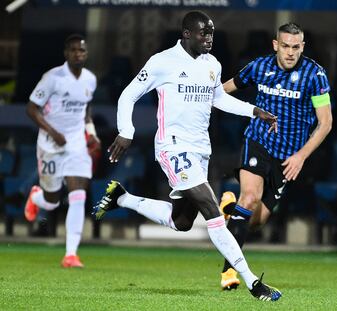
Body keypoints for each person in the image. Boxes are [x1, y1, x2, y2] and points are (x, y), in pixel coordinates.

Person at [93, 11, 281, 302]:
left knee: (181, 221)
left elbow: (218, 98)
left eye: (212, 33)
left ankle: (122, 198)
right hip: (172, 147)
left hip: (200, 150)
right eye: (203, 33)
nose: (209, 38)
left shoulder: (212, 64)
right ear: (186, 34)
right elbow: (127, 95)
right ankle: (253, 283)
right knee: (212, 209)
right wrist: (126, 131)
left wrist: (253, 110)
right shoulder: (162, 62)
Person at [218, 22, 333, 290]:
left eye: (296, 47)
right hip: (258, 141)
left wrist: (301, 156)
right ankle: (229, 273)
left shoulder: (314, 76)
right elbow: (224, 90)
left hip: (288, 158)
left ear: (302, 47)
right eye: (285, 46)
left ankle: (231, 208)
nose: (291, 52)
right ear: (275, 45)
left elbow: (325, 123)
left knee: (256, 222)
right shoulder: (259, 67)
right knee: (250, 196)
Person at [24, 34, 100, 268]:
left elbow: (86, 109)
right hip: (50, 145)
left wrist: (92, 133)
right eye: (74, 50)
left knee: (78, 194)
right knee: (52, 201)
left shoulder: (90, 79)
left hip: (76, 144)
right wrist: (53, 131)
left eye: (82, 51)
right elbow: (31, 109)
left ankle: (70, 254)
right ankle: (36, 196)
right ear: (66, 53)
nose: (79, 54)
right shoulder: (52, 78)